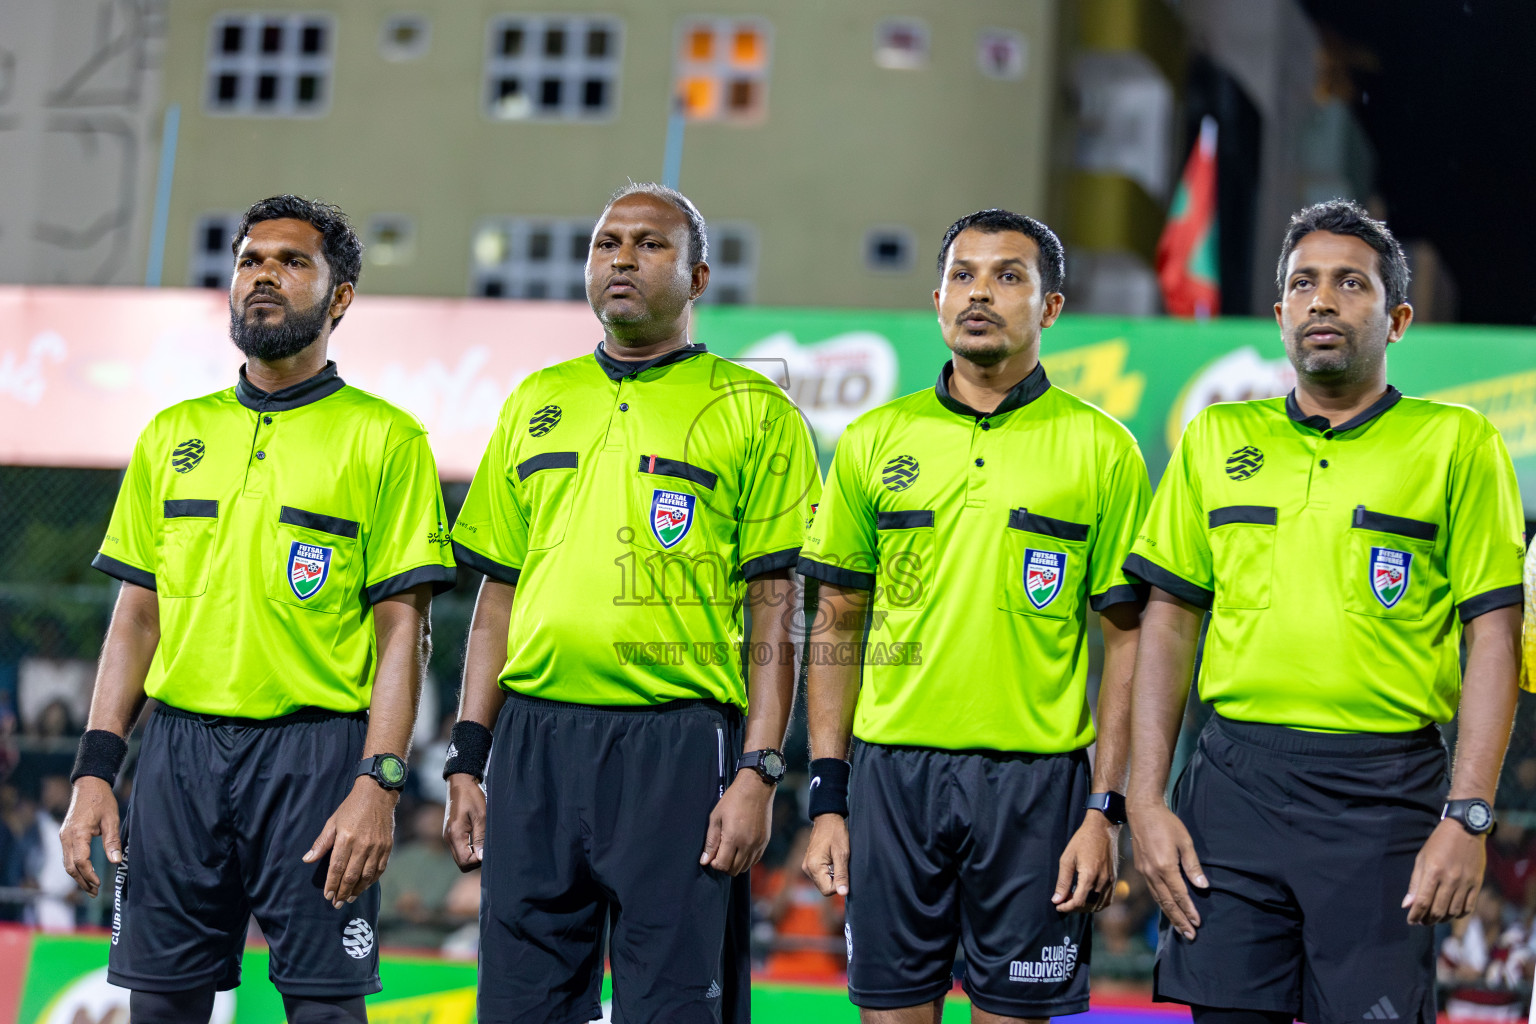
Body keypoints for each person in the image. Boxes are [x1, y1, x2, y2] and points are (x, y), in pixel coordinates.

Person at [1125, 199, 1526, 1024]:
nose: (1322, 301)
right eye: (1303, 284)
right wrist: (1146, 798)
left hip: (1385, 800)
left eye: (1351, 284)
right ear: (1278, 314)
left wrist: (1470, 814)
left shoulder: (1458, 443)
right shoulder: (1212, 440)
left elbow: (1494, 634)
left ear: (1398, 318)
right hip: (1232, 791)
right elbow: (1167, 623)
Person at [59, 195, 456, 1024]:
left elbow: (402, 636)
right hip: (176, 755)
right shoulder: (172, 434)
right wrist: (95, 769)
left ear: (339, 297)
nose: (263, 276)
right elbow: (136, 618)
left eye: (291, 261)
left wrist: (379, 782)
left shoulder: (386, 439)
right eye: (249, 261)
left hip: (315, 760)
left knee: (322, 1009)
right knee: (160, 1007)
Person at [443, 182, 821, 1024]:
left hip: (678, 746)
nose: (622, 257)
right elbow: (496, 598)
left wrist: (760, 769)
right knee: (518, 1006)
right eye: (607, 242)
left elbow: (774, 609)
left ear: (698, 278)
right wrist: (469, 757)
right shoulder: (536, 401)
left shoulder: (755, 411)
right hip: (534, 740)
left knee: (672, 1008)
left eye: (650, 244)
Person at [798, 208, 1150, 1022]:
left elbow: (1126, 644)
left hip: (1038, 787)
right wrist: (827, 799)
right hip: (892, 777)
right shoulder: (872, 439)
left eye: (1009, 275)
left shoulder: (1104, 450)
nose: (980, 293)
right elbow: (836, 623)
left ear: (1051, 307)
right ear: (937, 298)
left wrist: (1105, 809)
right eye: (964, 274)